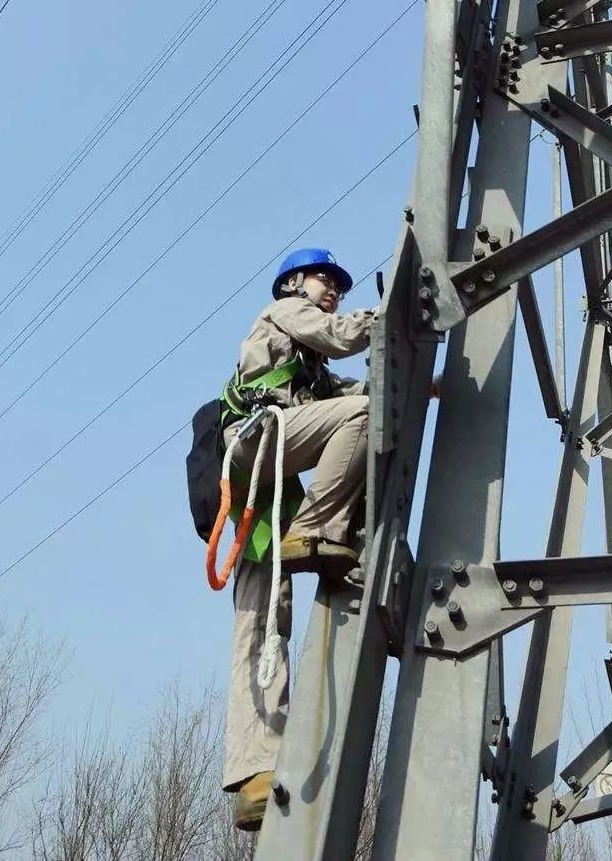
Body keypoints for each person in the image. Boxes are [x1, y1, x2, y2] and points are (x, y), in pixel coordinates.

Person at [219, 247, 375, 831]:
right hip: (259, 446)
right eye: (323, 279)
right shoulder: (285, 312)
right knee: (362, 416)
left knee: (263, 622)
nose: (332, 288)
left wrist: (417, 382)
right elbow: (341, 337)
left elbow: (349, 379)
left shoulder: (310, 362)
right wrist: (394, 316)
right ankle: (317, 528)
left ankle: (256, 774)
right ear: (293, 283)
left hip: (272, 479)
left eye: (337, 282)